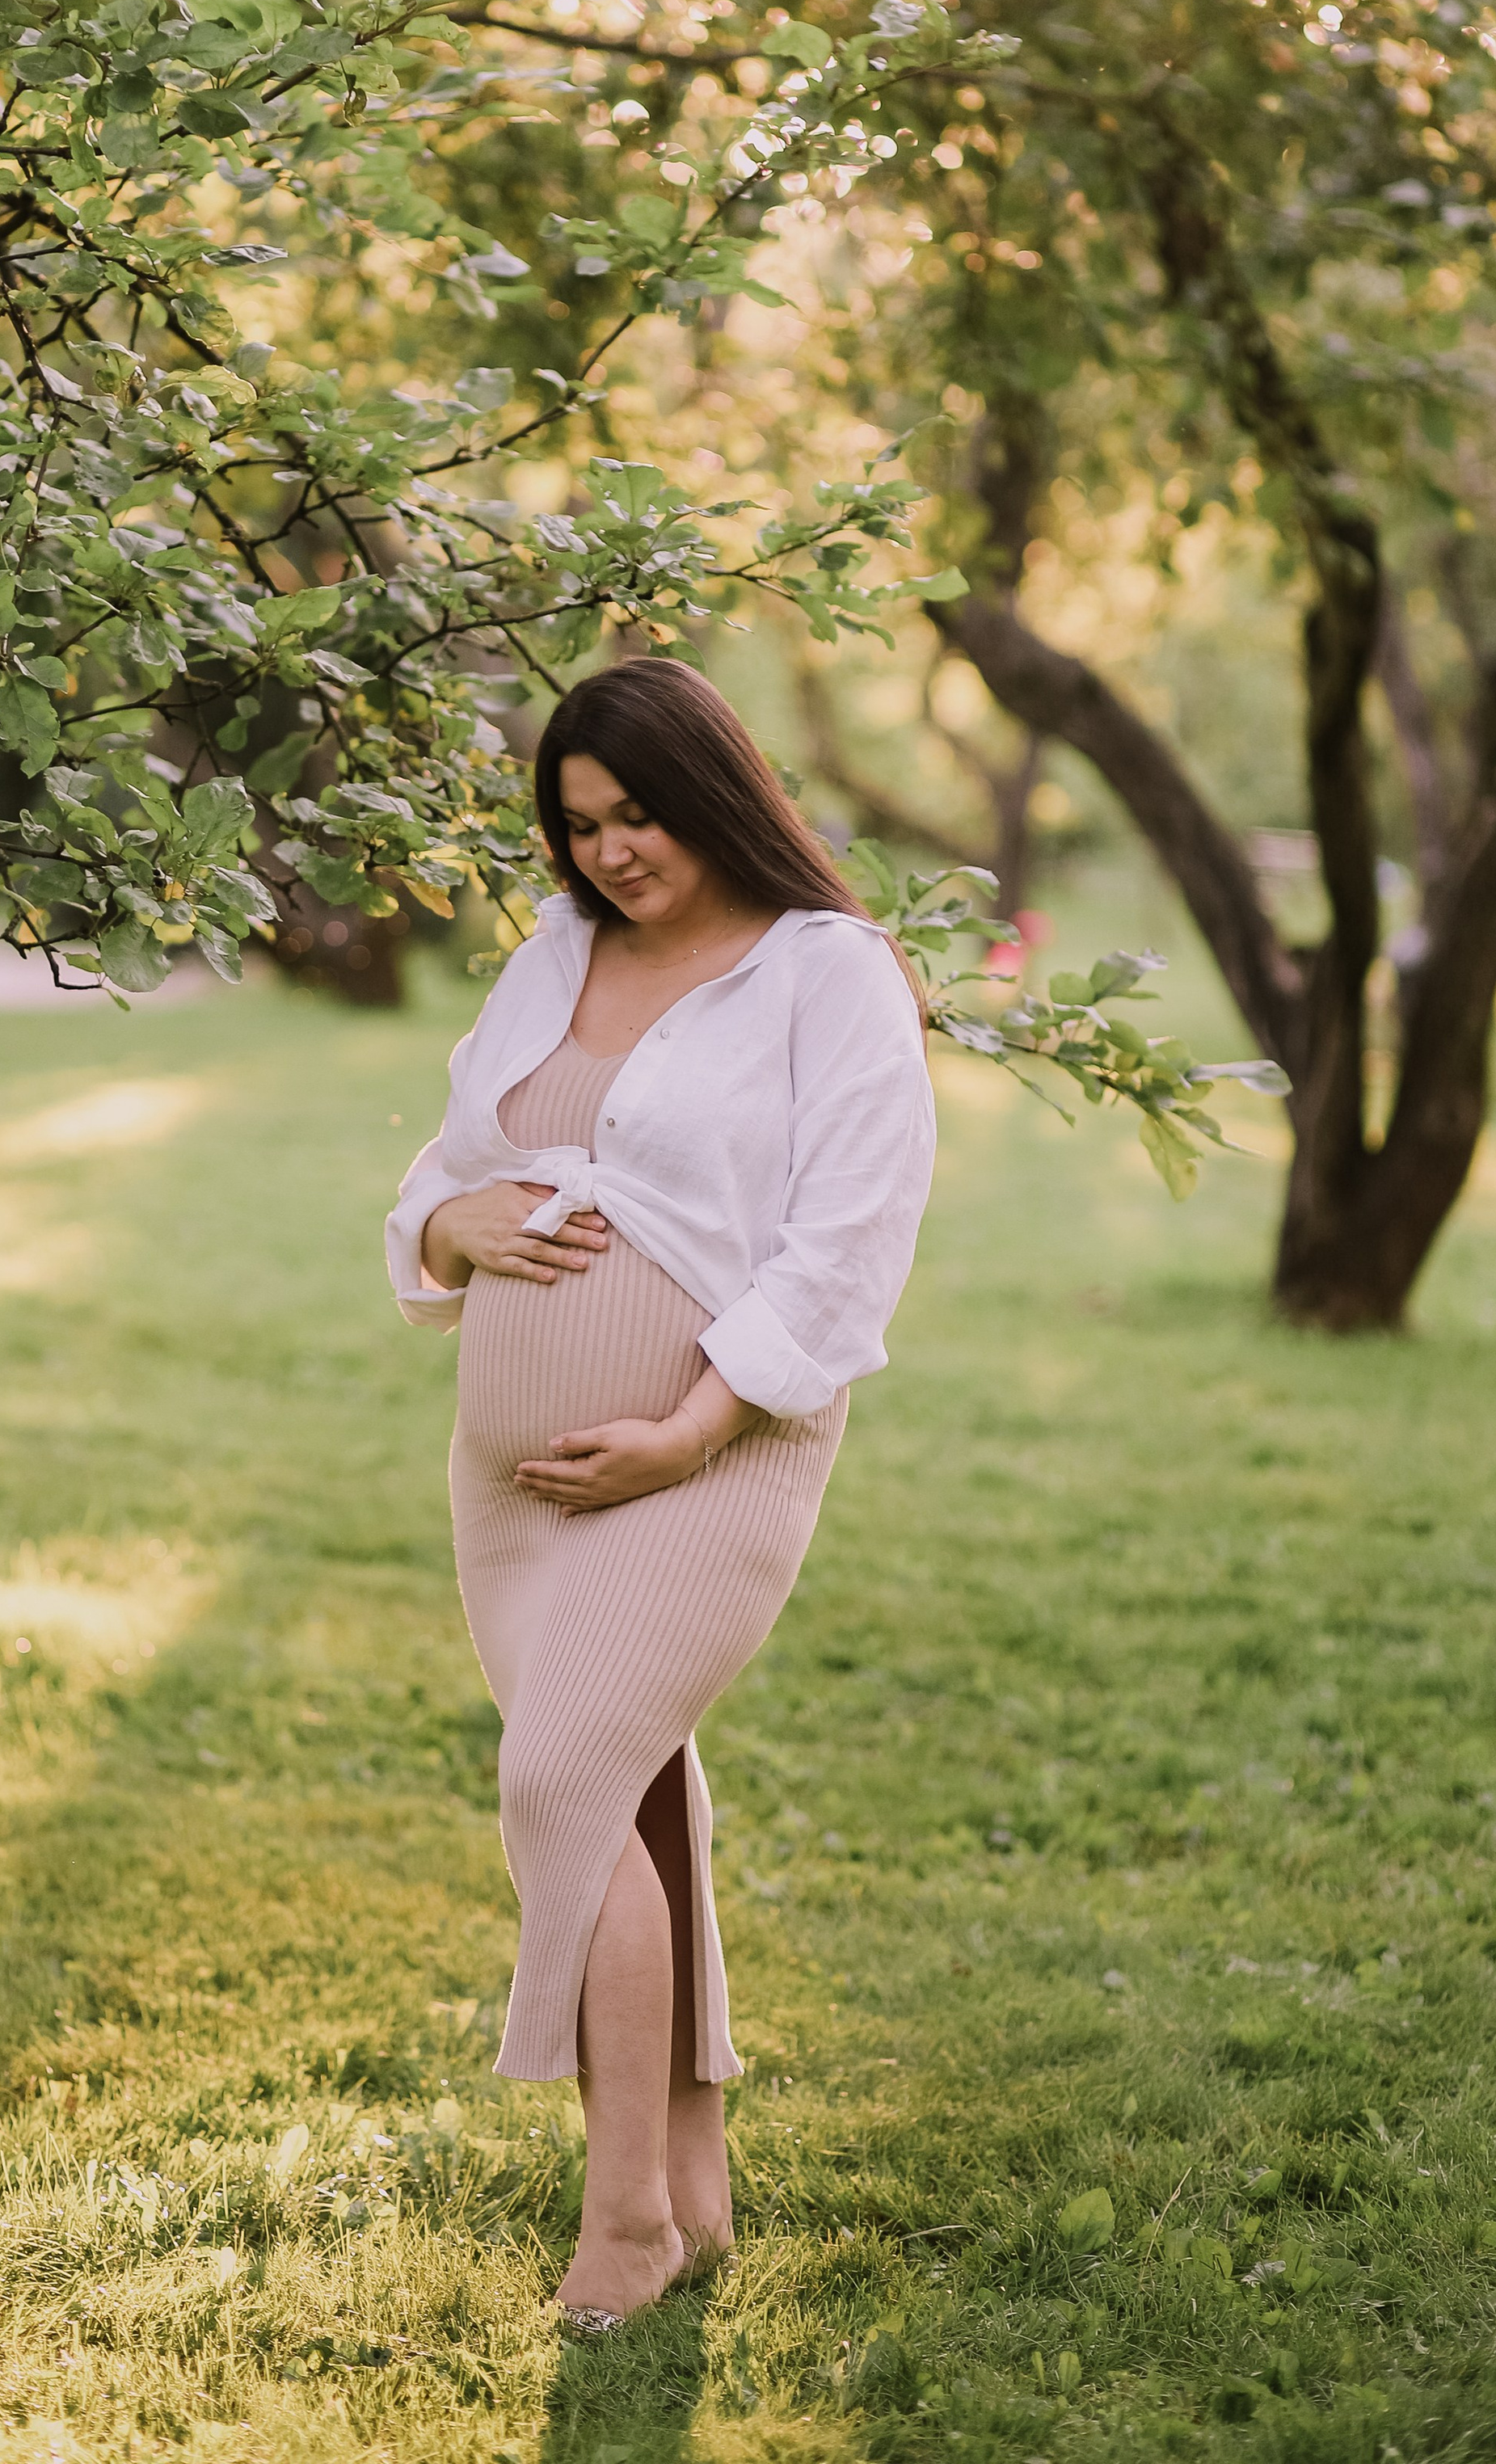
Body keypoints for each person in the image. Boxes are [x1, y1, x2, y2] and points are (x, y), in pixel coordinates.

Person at [386, 659, 937, 2333]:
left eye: (636, 816)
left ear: (713, 791)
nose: (612, 853)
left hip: (713, 1452)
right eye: (579, 825)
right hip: (512, 1477)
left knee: (558, 1778)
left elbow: (846, 1245)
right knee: (623, 1797)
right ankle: (689, 2189)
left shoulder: (822, 972)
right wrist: (445, 1229)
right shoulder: (556, 954)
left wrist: (688, 1431)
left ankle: (618, 2214)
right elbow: (445, 1162)